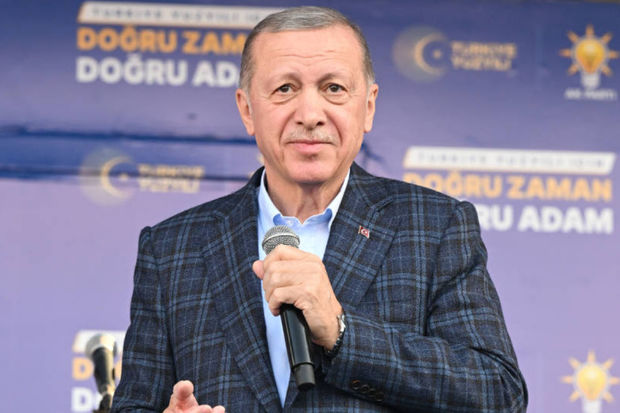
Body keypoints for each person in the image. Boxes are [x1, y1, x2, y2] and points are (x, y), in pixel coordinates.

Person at [111, 6, 527, 413]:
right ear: (247, 109)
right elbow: (133, 404)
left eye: (333, 88)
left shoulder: (434, 227)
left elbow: (498, 394)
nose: (310, 115)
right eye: (285, 89)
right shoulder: (171, 248)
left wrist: (343, 331)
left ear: (368, 106)